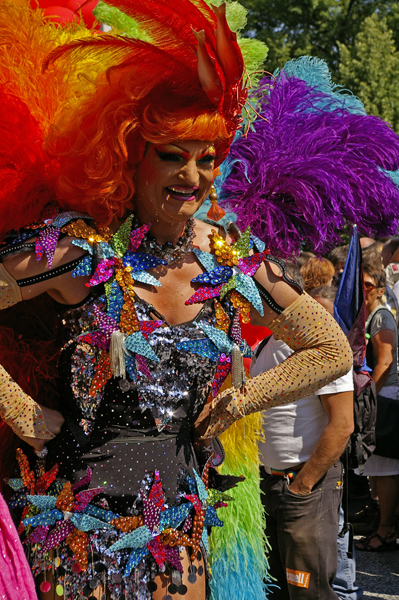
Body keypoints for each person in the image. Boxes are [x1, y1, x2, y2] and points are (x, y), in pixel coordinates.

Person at [0, 2, 354, 600]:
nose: (194, 175)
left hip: (177, 527)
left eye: (207, 158)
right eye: (173, 154)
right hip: (75, 529)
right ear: (128, 156)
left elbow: (330, 348)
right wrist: (18, 409)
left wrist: (245, 398)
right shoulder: (80, 252)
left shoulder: (231, 261)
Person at [251, 279, 355, 600]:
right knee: (277, 588)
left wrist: (302, 486)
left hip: (303, 485)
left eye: (249, 294)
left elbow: (342, 425)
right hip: (272, 486)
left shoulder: (319, 347)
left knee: (309, 592)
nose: (242, 303)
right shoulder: (264, 345)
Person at [355, 263, 399, 552]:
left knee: (384, 468)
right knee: (377, 468)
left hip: (387, 395)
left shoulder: (381, 316)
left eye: (369, 284)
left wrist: (369, 395)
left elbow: (385, 359)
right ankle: (381, 521)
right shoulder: (370, 315)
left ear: (381, 289)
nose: (363, 289)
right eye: (360, 283)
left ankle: (387, 530)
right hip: (380, 394)